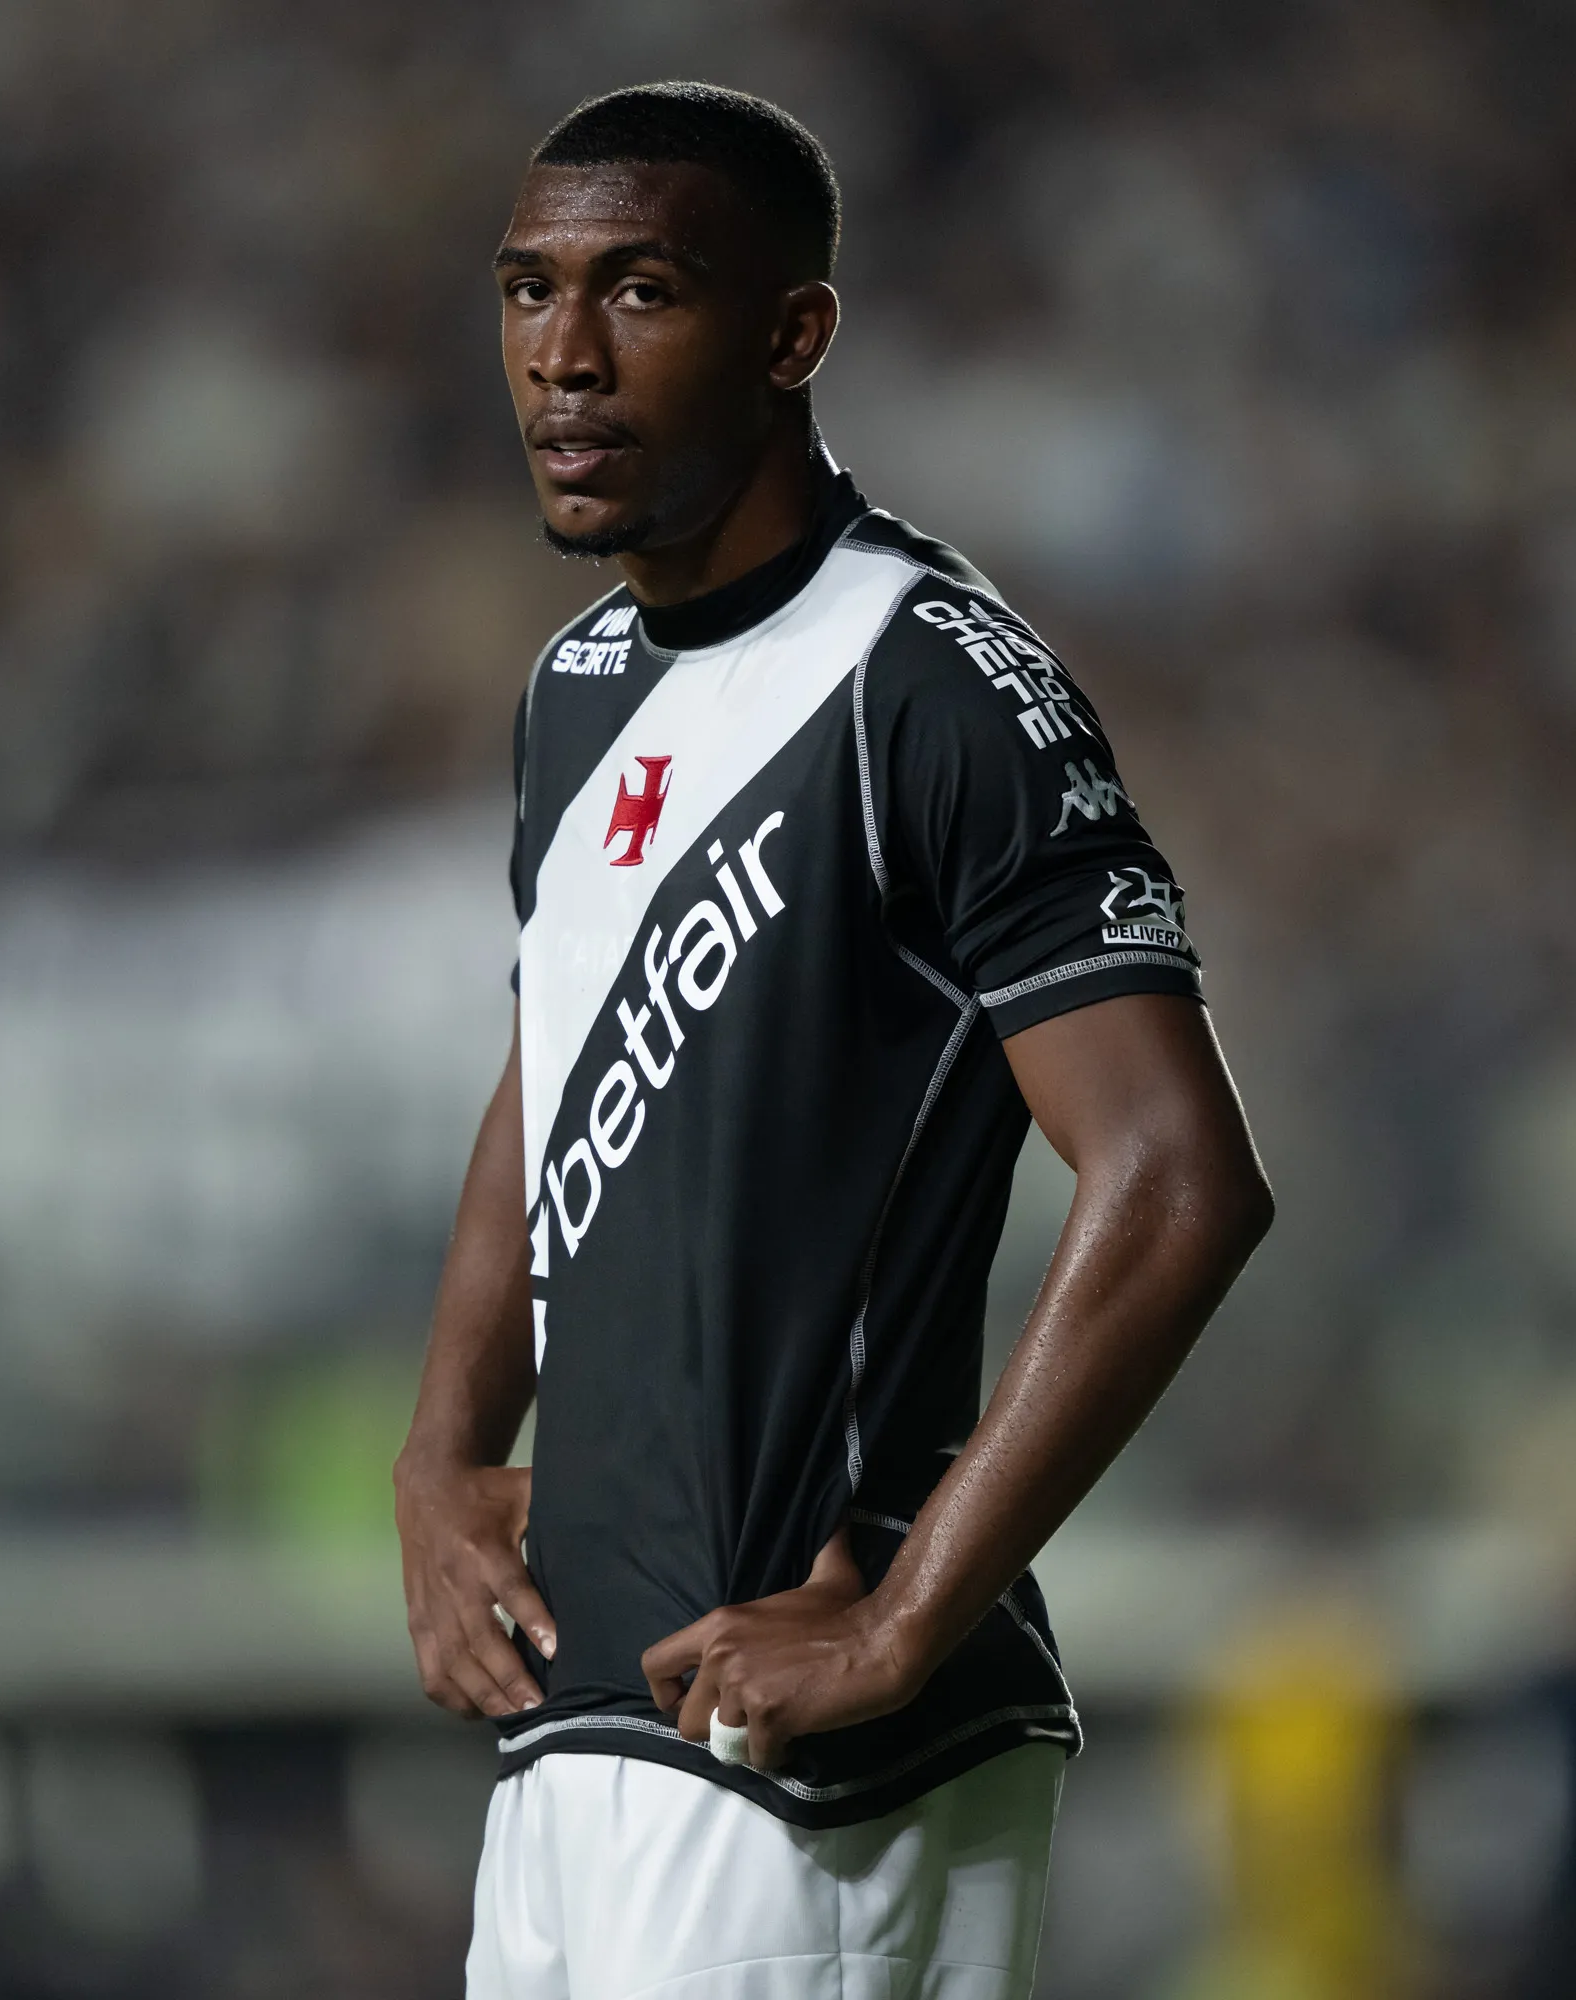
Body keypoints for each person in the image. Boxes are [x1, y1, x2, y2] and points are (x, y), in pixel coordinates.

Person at [392, 81, 1275, 2000]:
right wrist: (444, 1451)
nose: (563, 354)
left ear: (794, 334)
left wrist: (901, 1622)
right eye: (530, 290)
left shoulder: (928, 682)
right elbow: (558, 1058)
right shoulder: (578, 688)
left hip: (799, 1749)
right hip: (591, 1718)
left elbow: (1180, 1176)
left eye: (642, 292)